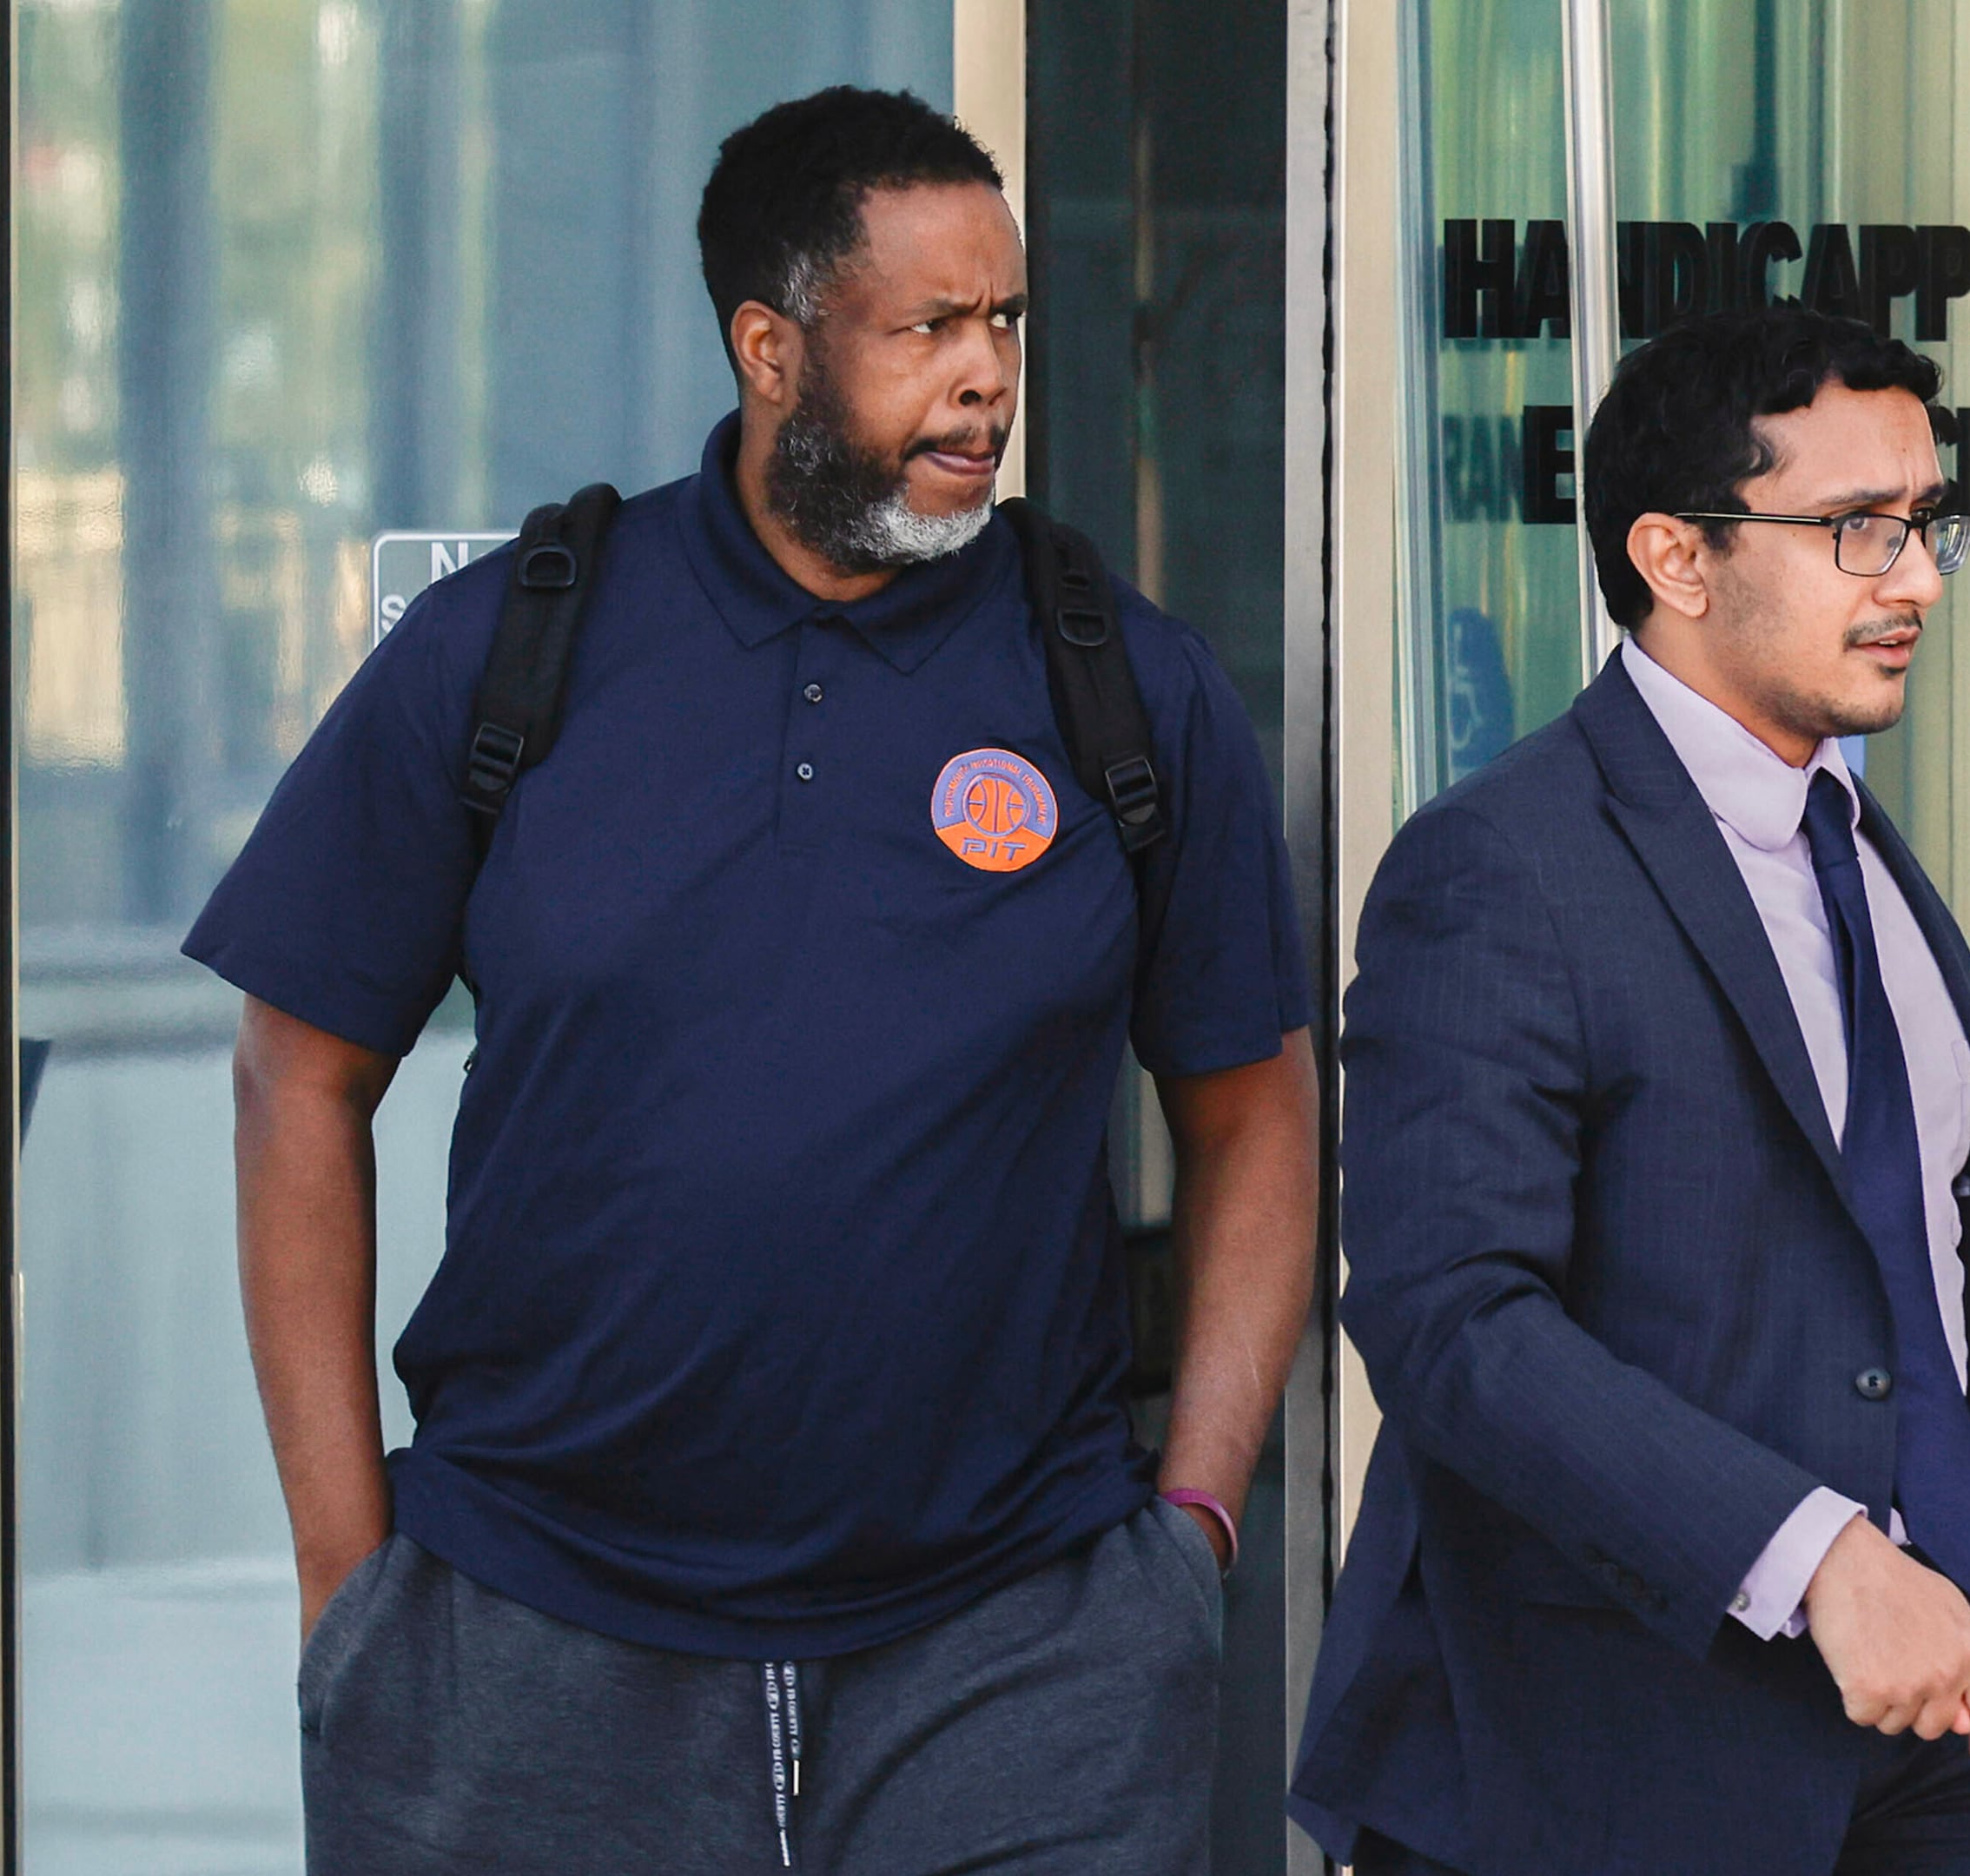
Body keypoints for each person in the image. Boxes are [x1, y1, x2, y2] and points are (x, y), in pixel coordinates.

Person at [190, 85, 1317, 1874]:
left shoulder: (1123, 686)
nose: (987, 378)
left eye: (1006, 320)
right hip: (533, 1640)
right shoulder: (519, 646)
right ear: (772, 348)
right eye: (928, 327)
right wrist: (355, 1588)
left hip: (1018, 1653)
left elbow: (1256, 1115)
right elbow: (292, 1076)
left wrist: (1191, 1534)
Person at [1290, 304, 1970, 1875]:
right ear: (1675, 556)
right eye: (1859, 531)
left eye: (1928, 527)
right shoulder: (1503, 865)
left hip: (1940, 1736)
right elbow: (1451, 1319)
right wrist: (1816, 1561)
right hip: (1613, 1760)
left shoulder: (1856, 852)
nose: (1918, 581)